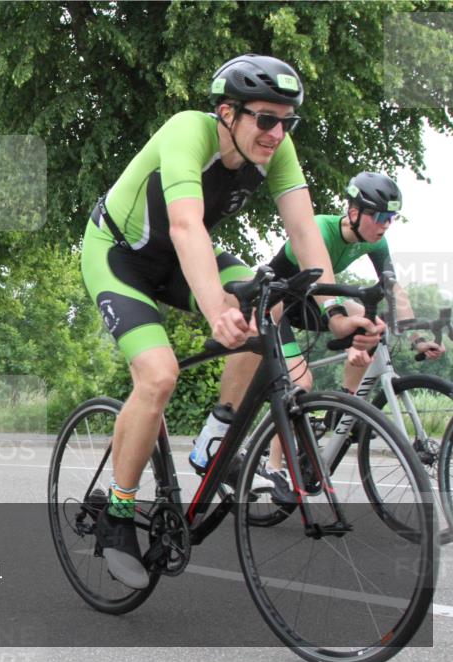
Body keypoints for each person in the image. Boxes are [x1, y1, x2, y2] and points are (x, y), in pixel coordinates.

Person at [80, 53, 381, 589]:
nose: (276, 132)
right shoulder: (186, 132)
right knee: (158, 375)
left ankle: (216, 435)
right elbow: (185, 224)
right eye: (265, 118)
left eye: (287, 120)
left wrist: (336, 313)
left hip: (179, 256)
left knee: (269, 305)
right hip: (120, 254)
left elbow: (306, 230)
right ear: (227, 112)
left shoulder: (276, 150)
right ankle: (119, 514)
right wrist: (218, 307)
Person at [250, 171, 446, 504]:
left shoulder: (376, 241)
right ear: (353, 212)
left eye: (391, 218)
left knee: (371, 323)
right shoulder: (321, 230)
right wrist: (346, 320)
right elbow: (327, 294)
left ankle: (342, 403)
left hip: (312, 302)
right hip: (275, 307)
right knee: (302, 382)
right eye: (379, 216)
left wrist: (416, 336)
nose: (385, 224)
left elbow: (393, 290)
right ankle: (273, 466)